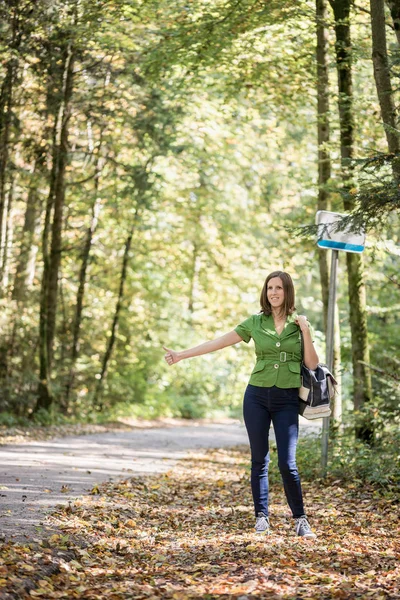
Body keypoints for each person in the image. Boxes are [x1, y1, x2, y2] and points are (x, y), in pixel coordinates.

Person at [163, 270, 318, 539]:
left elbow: (313, 364)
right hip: (256, 395)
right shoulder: (256, 322)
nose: (273, 292)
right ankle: (262, 517)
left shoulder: (299, 324)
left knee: (287, 463)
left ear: (287, 291)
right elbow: (220, 342)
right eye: (270, 287)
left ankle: (301, 519)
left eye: (279, 288)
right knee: (259, 460)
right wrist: (181, 355)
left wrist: (305, 329)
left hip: (286, 399)